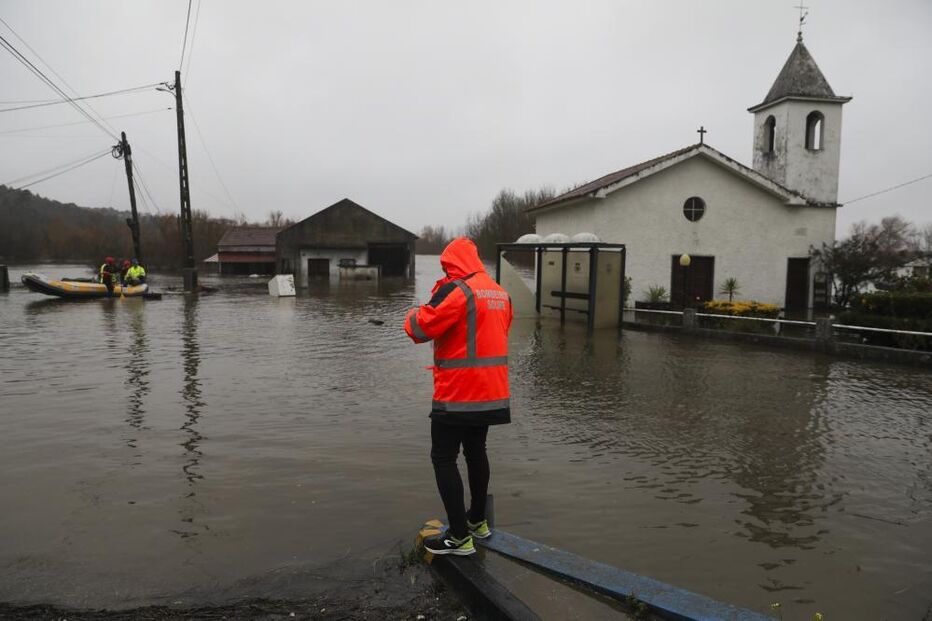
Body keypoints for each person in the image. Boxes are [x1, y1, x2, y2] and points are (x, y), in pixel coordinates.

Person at [404, 237, 513, 556]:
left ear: (453, 264)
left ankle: (459, 536)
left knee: (443, 458)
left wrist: (412, 312)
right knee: (476, 452)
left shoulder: (458, 291)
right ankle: (478, 521)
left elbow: (420, 329)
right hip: (492, 392)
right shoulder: (500, 292)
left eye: (446, 267)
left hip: (459, 393)